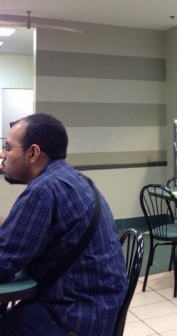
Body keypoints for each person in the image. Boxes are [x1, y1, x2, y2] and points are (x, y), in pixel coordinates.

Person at [0, 113, 127, 336]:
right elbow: (17, 241)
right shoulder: (72, 178)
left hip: (75, 318)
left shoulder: (43, 191)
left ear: (33, 153)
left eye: (8, 148)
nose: (2, 155)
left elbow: (4, 264)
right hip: (101, 309)